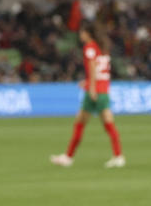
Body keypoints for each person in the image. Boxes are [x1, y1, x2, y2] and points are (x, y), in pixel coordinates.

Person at [51, 21, 125, 168]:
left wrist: (90, 87)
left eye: (82, 32)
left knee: (80, 123)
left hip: (95, 91)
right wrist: (88, 82)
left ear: (88, 33)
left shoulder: (89, 47)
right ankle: (118, 156)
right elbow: (101, 70)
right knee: (107, 124)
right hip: (103, 89)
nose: (80, 34)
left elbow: (92, 67)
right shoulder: (102, 47)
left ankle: (68, 157)